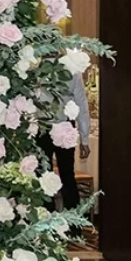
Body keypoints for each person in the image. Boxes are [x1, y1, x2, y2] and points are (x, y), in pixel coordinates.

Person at [37, 73, 91, 210]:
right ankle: (73, 219)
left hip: (43, 126)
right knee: (67, 176)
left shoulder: (38, 69)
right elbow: (81, 105)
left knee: (44, 176)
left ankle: (47, 218)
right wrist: (84, 139)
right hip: (63, 125)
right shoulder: (73, 71)